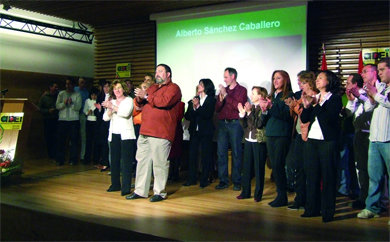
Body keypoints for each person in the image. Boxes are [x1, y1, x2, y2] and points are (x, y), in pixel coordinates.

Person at [126, 64, 182, 202]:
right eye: (156, 71)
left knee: (159, 163)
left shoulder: (174, 88)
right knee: (142, 161)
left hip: (161, 131)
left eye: (160, 71)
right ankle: (140, 191)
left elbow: (164, 102)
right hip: (145, 130)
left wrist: (146, 96)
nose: (157, 74)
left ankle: (159, 192)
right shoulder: (152, 88)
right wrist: (140, 97)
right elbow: (142, 103)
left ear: (168, 74)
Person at [300, 70, 342, 223]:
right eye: (316, 78)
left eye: (320, 78)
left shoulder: (335, 99)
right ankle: (311, 208)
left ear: (329, 81)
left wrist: (316, 105)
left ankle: (328, 211)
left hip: (327, 142)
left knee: (328, 176)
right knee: (312, 175)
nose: (317, 80)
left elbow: (329, 119)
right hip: (312, 140)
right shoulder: (315, 98)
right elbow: (305, 119)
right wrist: (306, 107)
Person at [357, 57, 390, 219]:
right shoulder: (382, 87)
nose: (380, 73)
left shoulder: (383, 90)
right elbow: (369, 107)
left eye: (382, 69)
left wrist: (375, 95)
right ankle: (373, 207)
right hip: (375, 139)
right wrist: (370, 96)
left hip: (388, 139)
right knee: (374, 176)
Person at [284, 71, 318, 209]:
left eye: (302, 82)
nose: (300, 84)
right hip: (298, 134)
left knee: (306, 169)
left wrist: (296, 106)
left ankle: (306, 200)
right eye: (299, 81)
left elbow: (307, 115)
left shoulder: (315, 97)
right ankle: (300, 198)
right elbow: (296, 115)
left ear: (310, 83)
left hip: (309, 136)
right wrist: (292, 105)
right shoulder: (301, 96)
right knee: (295, 165)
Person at [261, 70, 293, 207]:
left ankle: (282, 196)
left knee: (279, 165)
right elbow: (265, 119)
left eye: (278, 78)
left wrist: (271, 107)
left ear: (285, 80)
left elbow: (286, 115)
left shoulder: (288, 95)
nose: (275, 81)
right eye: (274, 78)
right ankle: (280, 195)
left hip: (281, 133)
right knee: (274, 165)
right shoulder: (271, 96)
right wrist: (264, 110)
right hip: (271, 133)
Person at [215, 67, 247, 191]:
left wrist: (226, 95)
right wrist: (221, 99)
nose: (224, 79)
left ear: (233, 77)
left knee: (236, 153)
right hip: (223, 124)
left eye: (226, 77)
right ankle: (223, 180)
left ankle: (237, 181)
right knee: (221, 153)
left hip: (235, 124)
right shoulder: (223, 91)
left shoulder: (241, 90)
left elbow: (237, 106)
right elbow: (217, 109)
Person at [102, 79, 136, 196]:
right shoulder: (112, 100)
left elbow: (125, 113)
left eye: (119, 88)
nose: (117, 90)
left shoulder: (129, 100)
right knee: (114, 161)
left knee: (126, 162)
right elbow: (105, 118)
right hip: (114, 134)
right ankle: (115, 184)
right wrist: (110, 109)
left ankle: (126, 187)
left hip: (126, 135)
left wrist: (113, 107)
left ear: (124, 89)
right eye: (115, 88)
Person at [345, 73, 372, 209]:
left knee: (365, 168)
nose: (346, 86)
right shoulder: (354, 97)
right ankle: (361, 194)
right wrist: (350, 101)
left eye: (349, 83)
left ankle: (366, 197)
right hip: (357, 134)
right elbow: (349, 112)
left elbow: (369, 110)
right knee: (358, 167)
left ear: (355, 84)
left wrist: (358, 97)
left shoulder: (366, 94)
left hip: (366, 135)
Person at [236, 86, 268, 202]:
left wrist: (249, 112)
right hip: (248, 140)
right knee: (246, 168)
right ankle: (245, 192)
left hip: (258, 141)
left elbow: (258, 124)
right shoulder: (252, 107)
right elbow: (245, 125)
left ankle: (258, 194)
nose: (251, 95)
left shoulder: (262, 108)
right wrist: (242, 115)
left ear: (260, 96)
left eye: (253, 93)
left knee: (259, 168)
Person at [183, 79, 216, 188]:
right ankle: (192, 178)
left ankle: (204, 179)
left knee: (205, 155)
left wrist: (198, 107)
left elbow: (207, 114)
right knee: (192, 155)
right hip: (194, 131)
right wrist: (193, 106)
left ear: (207, 86)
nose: (199, 86)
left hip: (206, 131)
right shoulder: (194, 99)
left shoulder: (211, 100)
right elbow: (187, 116)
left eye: (201, 84)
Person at [55, 78, 82, 166]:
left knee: (74, 141)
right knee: (61, 140)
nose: (67, 86)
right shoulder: (61, 93)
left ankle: (73, 159)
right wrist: (64, 103)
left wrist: (72, 103)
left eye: (69, 84)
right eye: (66, 84)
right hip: (62, 120)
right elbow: (57, 106)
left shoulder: (77, 94)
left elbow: (78, 107)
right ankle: (60, 159)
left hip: (73, 120)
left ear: (73, 85)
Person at [38, 81, 59, 160]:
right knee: (48, 137)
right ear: (50, 87)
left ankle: (56, 154)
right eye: (54, 87)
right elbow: (39, 108)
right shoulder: (44, 97)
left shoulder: (58, 96)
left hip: (56, 119)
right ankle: (50, 155)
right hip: (47, 119)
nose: (56, 88)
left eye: (57, 87)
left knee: (56, 138)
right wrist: (48, 111)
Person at [95, 80, 111, 171]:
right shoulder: (100, 96)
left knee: (110, 143)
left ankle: (109, 162)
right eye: (105, 86)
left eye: (108, 86)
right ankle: (104, 162)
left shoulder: (113, 97)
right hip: (102, 123)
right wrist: (100, 109)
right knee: (103, 142)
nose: (106, 88)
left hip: (111, 122)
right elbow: (96, 111)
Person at [75, 77, 89, 163]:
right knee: (74, 136)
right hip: (74, 114)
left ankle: (82, 155)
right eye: (80, 82)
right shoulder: (74, 89)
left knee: (83, 136)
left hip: (83, 115)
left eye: (83, 82)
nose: (82, 84)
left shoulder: (86, 92)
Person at [83, 88, 99, 164]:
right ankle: (87, 158)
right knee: (88, 140)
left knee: (96, 141)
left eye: (95, 95)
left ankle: (96, 159)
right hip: (89, 121)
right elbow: (85, 110)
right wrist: (87, 112)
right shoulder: (87, 101)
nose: (94, 96)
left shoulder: (98, 101)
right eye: (92, 94)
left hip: (96, 121)